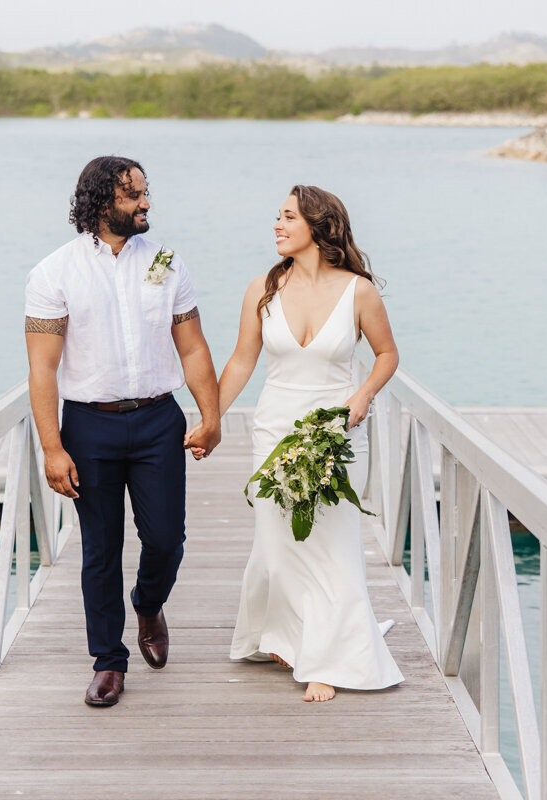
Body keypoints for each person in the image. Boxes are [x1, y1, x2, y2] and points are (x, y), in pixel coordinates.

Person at [24, 155, 221, 708]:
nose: (146, 203)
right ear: (101, 201)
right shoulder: (53, 272)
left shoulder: (167, 262)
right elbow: (42, 367)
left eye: (145, 192)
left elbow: (193, 346)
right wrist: (51, 446)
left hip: (160, 420)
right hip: (89, 426)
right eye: (134, 195)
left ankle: (149, 601)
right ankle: (109, 661)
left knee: (165, 540)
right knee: (100, 549)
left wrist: (211, 417)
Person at [202, 184, 404, 702]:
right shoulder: (262, 289)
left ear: (318, 225)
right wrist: (211, 419)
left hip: (336, 431)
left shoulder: (358, 291)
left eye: (288, 217)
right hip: (274, 428)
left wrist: (362, 396)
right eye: (278, 216)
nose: (277, 225)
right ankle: (283, 636)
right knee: (277, 545)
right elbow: (243, 360)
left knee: (332, 545)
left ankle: (327, 659)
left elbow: (386, 355)